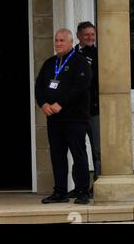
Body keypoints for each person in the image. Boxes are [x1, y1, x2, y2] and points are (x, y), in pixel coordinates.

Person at [35, 28, 92, 204]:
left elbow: (80, 87)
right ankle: (60, 191)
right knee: (57, 155)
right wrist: (43, 104)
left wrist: (61, 103)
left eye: (62, 40)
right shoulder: (50, 63)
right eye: (56, 40)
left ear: (70, 42)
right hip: (54, 119)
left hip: (74, 118)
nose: (58, 44)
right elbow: (39, 86)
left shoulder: (79, 62)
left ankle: (82, 191)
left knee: (78, 154)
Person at [67, 21, 100, 199]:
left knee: (98, 150)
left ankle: (98, 186)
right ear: (79, 36)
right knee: (78, 150)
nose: (90, 38)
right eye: (86, 35)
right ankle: (80, 187)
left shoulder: (100, 54)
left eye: (92, 34)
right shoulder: (71, 55)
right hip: (77, 111)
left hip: (95, 109)